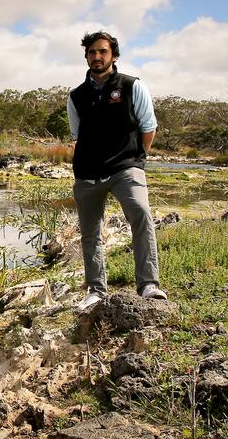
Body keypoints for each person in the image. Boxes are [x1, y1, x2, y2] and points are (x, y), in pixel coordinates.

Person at [67, 30, 167, 307]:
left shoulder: (132, 86)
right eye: (92, 52)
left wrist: (137, 158)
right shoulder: (76, 96)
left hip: (126, 168)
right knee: (90, 233)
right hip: (87, 173)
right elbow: (77, 135)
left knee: (141, 214)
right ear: (86, 57)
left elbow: (148, 127)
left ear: (114, 55)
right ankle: (96, 291)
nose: (97, 56)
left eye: (103, 51)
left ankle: (148, 285)